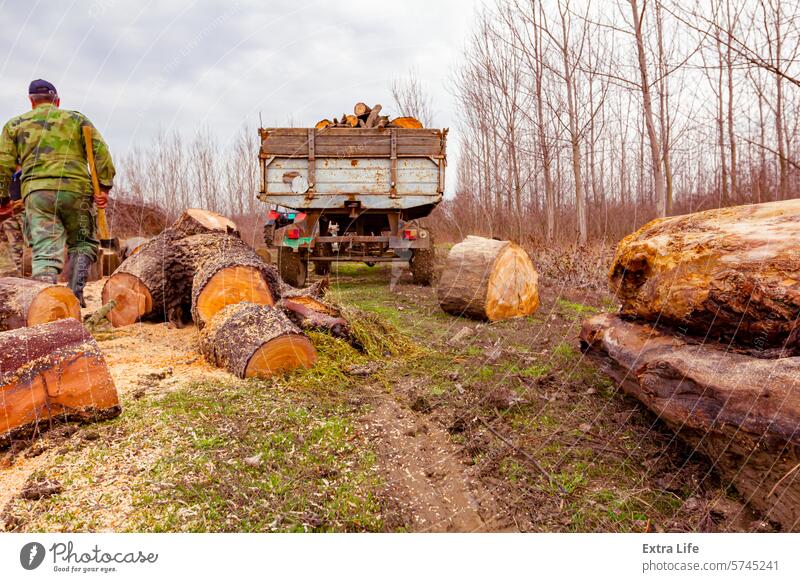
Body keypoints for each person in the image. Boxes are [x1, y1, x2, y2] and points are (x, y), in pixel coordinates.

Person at [0, 79, 115, 305]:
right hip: (77, 192)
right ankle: (75, 297)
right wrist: (103, 188)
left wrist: (2, 198)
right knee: (82, 243)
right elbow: (102, 153)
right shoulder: (77, 120)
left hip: (38, 193)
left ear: (31, 102)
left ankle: (46, 303)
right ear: (58, 101)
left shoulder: (15, 125)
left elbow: (3, 164)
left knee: (45, 250)